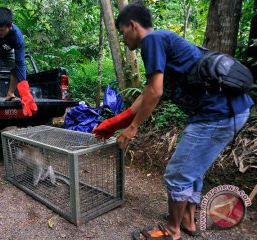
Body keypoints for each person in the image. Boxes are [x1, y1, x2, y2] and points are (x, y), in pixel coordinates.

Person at [92, 2, 254, 240]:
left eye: (123, 32)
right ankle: (188, 222)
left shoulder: (152, 41)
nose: (123, 39)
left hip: (217, 114)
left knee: (177, 174)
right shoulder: (164, 44)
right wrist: (115, 125)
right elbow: (147, 95)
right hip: (226, 112)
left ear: (133, 26)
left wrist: (134, 128)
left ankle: (172, 229)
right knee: (192, 171)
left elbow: (155, 93)